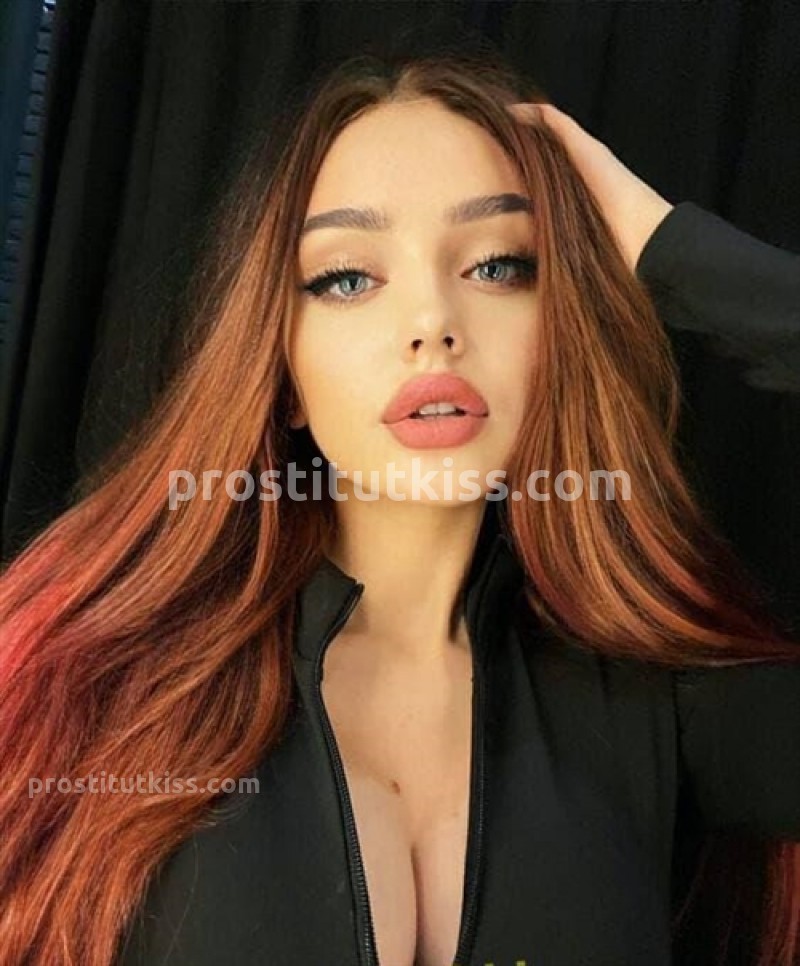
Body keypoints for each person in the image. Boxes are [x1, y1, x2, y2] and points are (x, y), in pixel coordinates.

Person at [0, 51, 798, 966]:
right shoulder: (93, 683)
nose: (432, 322)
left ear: (564, 337)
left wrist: (674, 254)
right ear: (282, 375)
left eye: (499, 265)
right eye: (347, 278)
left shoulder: (663, 705)